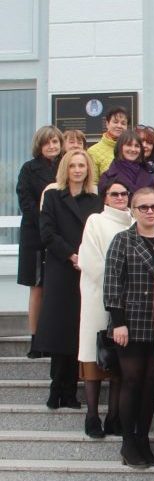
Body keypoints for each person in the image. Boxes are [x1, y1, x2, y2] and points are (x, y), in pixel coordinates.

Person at [104, 188, 154, 468]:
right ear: (133, 210)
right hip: (130, 322)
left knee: (149, 385)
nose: (149, 211)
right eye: (143, 207)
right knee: (131, 381)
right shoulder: (122, 240)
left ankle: (144, 440)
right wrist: (118, 321)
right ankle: (128, 443)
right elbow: (112, 283)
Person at [34, 149, 103, 409]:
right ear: (66, 168)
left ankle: (71, 390)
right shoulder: (52, 195)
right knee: (58, 328)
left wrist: (84, 257)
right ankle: (56, 387)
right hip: (61, 266)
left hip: (85, 269)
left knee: (77, 329)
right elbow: (47, 232)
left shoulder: (94, 200)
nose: (77, 170)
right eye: (72, 165)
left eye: (81, 166)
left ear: (88, 170)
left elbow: (96, 233)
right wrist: (71, 255)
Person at [77, 182, 133, 437]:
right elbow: (90, 259)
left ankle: (113, 417)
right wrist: (115, 285)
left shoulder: (134, 220)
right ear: (106, 198)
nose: (120, 197)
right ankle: (92, 416)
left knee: (119, 360)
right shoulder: (96, 221)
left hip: (128, 301)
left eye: (124, 193)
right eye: (115, 194)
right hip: (98, 295)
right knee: (94, 354)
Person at [16, 126, 62, 346]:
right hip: (35, 237)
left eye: (55, 142)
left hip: (59, 237)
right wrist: (45, 225)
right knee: (37, 287)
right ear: (39, 146)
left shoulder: (65, 167)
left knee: (56, 288)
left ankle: (52, 337)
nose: (52, 146)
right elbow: (26, 202)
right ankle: (35, 339)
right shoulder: (28, 169)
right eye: (47, 143)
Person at [87, 107, 129, 179]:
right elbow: (93, 182)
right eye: (115, 122)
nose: (119, 126)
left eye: (123, 123)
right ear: (107, 124)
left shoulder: (132, 149)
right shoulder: (93, 152)